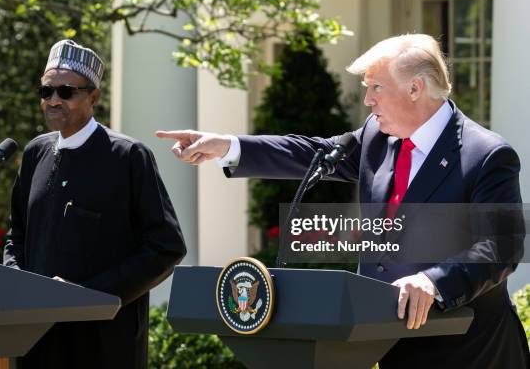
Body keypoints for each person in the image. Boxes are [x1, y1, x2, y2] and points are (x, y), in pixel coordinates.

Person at [156, 34, 529, 368]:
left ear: (415, 88)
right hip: (388, 344)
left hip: (470, 349)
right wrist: (227, 146)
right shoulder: (376, 138)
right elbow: (313, 153)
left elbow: (501, 246)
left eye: (376, 87)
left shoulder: (487, 155)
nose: (367, 100)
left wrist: (435, 282)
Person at [4, 39, 187, 368]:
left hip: (105, 340)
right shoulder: (35, 153)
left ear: (94, 96)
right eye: (46, 91)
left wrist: (88, 295)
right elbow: (16, 234)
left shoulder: (128, 156)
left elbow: (166, 246)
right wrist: (18, 282)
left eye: (66, 92)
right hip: (35, 337)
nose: (54, 100)